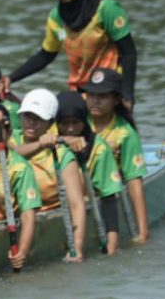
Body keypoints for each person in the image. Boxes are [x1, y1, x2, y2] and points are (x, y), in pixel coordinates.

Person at [5, 0, 138, 112]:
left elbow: (129, 53)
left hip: (109, 87)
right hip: (80, 89)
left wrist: (127, 96)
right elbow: (46, 55)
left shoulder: (105, 8)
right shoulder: (56, 17)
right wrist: (11, 78)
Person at [4, 89, 88, 262]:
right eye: (27, 116)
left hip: (47, 209)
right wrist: (41, 145)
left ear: (50, 123)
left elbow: (76, 205)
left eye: (38, 118)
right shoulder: (9, 141)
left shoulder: (63, 155)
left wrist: (77, 247)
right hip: (16, 211)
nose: (31, 123)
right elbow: (17, 153)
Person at [79, 68, 148, 243]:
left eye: (102, 96)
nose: (95, 101)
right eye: (91, 95)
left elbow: (133, 180)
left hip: (107, 189)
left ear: (116, 99)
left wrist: (143, 232)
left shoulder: (125, 133)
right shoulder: (76, 123)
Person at [53, 90, 125, 253]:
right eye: (64, 123)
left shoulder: (99, 148)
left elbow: (108, 197)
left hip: (84, 197)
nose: (70, 129)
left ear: (85, 121)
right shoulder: (49, 140)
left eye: (76, 122)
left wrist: (112, 241)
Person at [0, 108, 43, 271]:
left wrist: (22, 251)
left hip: (5, 221)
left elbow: (28, 214)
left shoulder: (19, 167)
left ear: (9, 134)